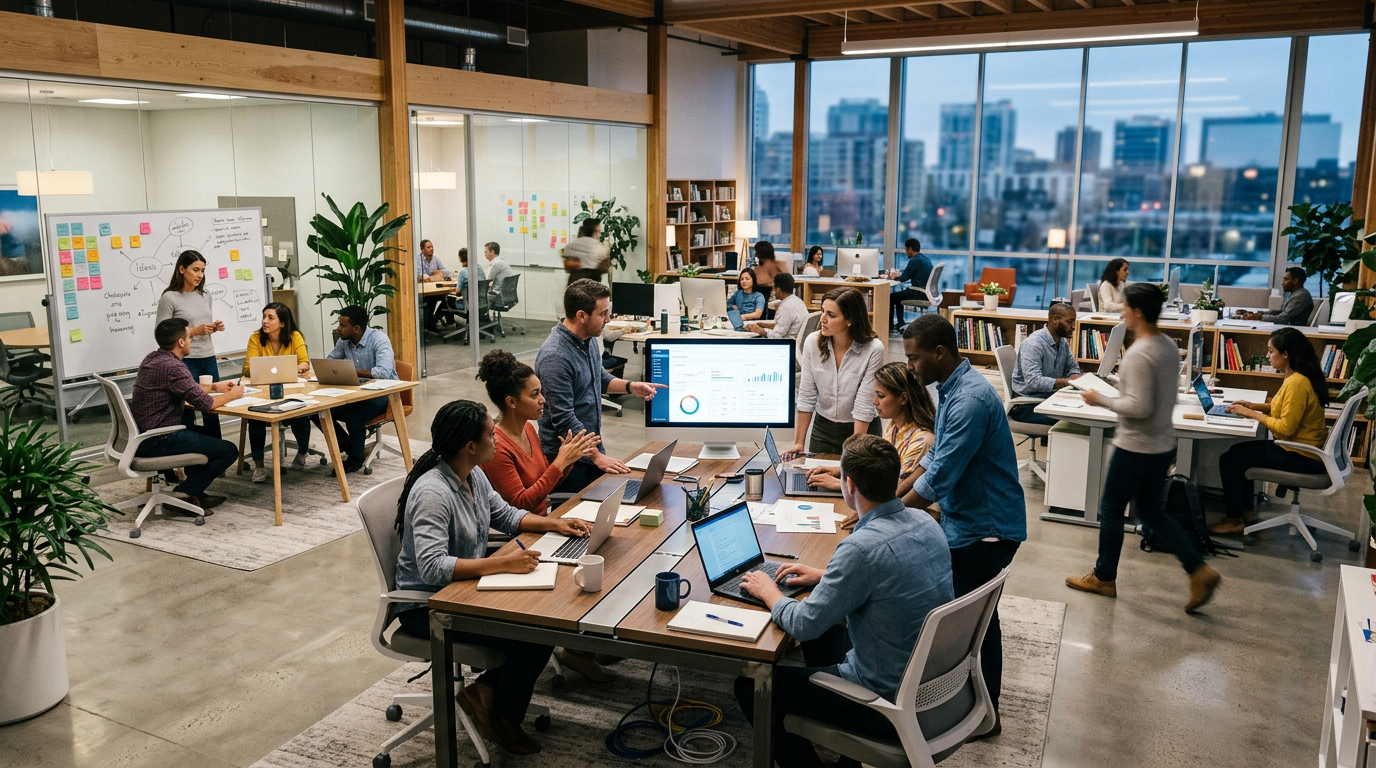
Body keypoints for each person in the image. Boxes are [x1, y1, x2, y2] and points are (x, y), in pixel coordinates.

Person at [733, 435, 955, 768]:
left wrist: (769, 592)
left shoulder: (860, 549)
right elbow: (890, 574)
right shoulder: (926, 522)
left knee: (751, 685)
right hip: (930, 685)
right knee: (826, 630)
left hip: (882, 700)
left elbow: (803, 626)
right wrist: (825, 576)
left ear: (848, 485)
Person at [391, 400, 593, 756]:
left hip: (464, 590)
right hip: (429, 606)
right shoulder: (433, 493)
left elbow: (507, 515)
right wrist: (502, 564)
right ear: (470, 446)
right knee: (532, 634)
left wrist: (555, 523)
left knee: (543, 619)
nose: (497, 438)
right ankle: (503, 715)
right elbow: (432, 567)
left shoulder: (472, 474)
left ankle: (485, 693)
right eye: (490, 434)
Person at [901, 314, 1026, 732]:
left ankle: (983, 716)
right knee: (975, 621)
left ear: (939, 352)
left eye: (915, 358)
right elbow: (933, 457)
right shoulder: (952, 388)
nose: (910, 367)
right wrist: (890, 498)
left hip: (986, 529)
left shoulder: (970, 399)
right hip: (970, 521)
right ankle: (976, 708)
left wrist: (890, 514)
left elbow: (941, 477)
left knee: (975, 626)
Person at [1066, 283, 1222, 611]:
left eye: (1125, 307)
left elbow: (1138, 407)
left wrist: (1099, 398)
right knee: (1152, 513)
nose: (1122, 312)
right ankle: (1198, 569)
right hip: (1162, 444)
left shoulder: (1138, 354)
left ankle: (1104, 577)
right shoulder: (1167, 345)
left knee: (1111, 510)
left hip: (1134, 448)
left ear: (1137, 312)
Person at [535, 279, 665, 493]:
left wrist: (631, 386)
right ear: (581, 316)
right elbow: (564, 418)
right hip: (568, 460)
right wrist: (596, 456)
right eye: (603, 313)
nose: (608, 319)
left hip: (588, 450)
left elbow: (600, 378)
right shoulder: (555, 357)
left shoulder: (587, 340)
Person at [1210, 327, 1331, 535]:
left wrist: (1251, 414)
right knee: (1236, 453)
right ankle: (1246, 515)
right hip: (1304, 450)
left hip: (1302, 455)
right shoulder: (1299, 376)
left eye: (1271, 351)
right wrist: (1253, 406)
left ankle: (1234, 520)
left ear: (1286, 354)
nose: (1267, 356)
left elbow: (1285, 428)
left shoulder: (1297, 383)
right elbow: (1284, 409)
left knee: (1231, 460)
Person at [131, 318, 243, 511]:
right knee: (228, 450)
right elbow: (207, 404)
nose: (191, 341)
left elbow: (185, 387)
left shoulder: (153, 358)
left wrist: (214, 387)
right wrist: (234, 394)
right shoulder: (174, 366)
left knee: (208, 436)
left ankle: (194, 492)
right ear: (181, 342)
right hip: (159, 439)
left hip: (143, 437)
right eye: (190, 337)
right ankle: (184, 493)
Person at [477, 349, 601, 515]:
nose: (543, 400)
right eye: (534, 395)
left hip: (543, 522)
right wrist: (560, 462)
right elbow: (520, 505)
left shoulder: (528, 429)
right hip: (525, 528)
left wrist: (569, 459)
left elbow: (544, 486)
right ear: (511, 402)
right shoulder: (498, 448)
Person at [805, 362, 936, 503]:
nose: (874, 401)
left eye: (881, 396)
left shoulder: (922, 440)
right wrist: (840, 471)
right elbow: (880, 474)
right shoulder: (894, 426)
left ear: (903, 399)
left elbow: (896, 488)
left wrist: (841, 485)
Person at [788, 287, 887, 457]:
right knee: (817, 472)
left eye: (831, 315)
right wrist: (799, 442)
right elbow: (806, 394)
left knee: (854, 472)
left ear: (850, 320)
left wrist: (854, 453)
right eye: (822, 311)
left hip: (862, 429)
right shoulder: (812, 342)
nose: (822, 319)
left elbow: (864, 404)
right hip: (823, 429)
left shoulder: (873, 348)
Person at [156, 249, 226, 438]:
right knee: (186, 408)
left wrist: (213, 327)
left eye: (202, 271)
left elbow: (201, 323)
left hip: (208, 357)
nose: (200, 275)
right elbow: (163, 332)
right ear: (181, 269)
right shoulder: (170, 298)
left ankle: (217, 447)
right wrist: (194, 331)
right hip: (184, 360)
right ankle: (189, 449)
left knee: (213, 406)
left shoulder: (205, 295)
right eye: (195, 270)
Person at [242, 302, 313, 483]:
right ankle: (259, 466)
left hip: (290, 390)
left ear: (282, 323)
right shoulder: (256, 338)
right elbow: (247, 369)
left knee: (300, 413)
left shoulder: (294, 336)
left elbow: (305, 363)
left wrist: (288, 369)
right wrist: (265, 370)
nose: (264, 321)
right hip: (262, 392)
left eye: (270, 318)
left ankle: (302, 451)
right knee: (255, 418)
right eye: (264, 317)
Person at [322, 305, 397, 473]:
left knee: (354, 416)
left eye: (343, 325)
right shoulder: (343, 341)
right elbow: (331, 361)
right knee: (318, 411)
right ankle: (351, 447)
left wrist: (352, 371)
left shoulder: (379, 339)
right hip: (356, 393)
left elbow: (384, 372)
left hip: (383, 395)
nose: (338, 329)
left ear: (356, 328)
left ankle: (355, 460)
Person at [1010, 302, 1082, 426]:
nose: (1073, 327)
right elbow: (1033, 381)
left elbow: (1072, 367)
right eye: (1069, 322)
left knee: (1084, 410)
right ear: (1055, 319)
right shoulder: (1033, 344)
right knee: (1075, 419)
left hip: (1048, 398)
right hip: (1026, 405)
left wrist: (1076, 376)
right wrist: (1069, 382)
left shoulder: (1062, 342)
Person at [886, 238, 935, 333]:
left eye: (906, 250)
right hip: (926, 292)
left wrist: (893, 277)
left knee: (892, 297)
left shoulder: (915, 260)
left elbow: (903, 278)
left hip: (920, 293)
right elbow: (908, 273)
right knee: (898, 297)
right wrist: (899, 275)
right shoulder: (924, 259)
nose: (906, 253)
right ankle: (900, 323)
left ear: (910, 249)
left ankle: (890, 326)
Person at [745, 273, 807, 345]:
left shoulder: (786, 308)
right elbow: (785, 325)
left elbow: (776, 336)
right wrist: (765, 325)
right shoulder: (797, 301)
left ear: (778, 290)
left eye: (774, 287)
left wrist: (758, 330)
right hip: (797, 342)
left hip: (787, 345)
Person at [1239, 266, 1315, 325]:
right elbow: (1281, 312)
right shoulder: (1292, 293)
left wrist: (1259, 317)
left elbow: (1283, 318)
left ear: (1295, 281)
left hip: (1292, 330)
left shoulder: (1301, 296)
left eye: (1285, 280)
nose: (1282, 283)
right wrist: (1258, 314)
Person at [417, 239, 452, 333]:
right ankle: (428, 324)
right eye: (428, 247)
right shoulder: (418, 260)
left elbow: (446, 272)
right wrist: (438, 276)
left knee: (446, 299)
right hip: (424, 291)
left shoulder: (435, 259)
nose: (431, 249)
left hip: (435, 289)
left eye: (432, 247)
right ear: (422, 249)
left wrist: (438, 273)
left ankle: (431, 322)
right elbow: (422, 277)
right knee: (430, 301)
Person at [563, 218, 609, 286]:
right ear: (596, 229)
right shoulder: (599, 248)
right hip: (592, 282)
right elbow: (605, 266)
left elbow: (566, 258)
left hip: (574, 281)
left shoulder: (571, 245)